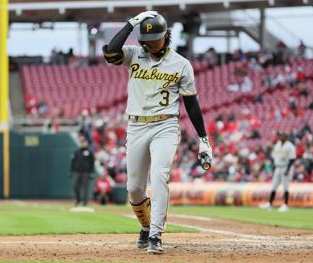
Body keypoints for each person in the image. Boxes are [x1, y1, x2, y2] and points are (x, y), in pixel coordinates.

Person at [102, 11, 212, 254]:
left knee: (160, 175)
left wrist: (204, 139)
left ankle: (155, 234)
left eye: (153, 40)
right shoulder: (133, 54)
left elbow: (191, 104)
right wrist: (131, 23)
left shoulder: (181, 64)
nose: (147, 44)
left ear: (166, 37)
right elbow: (110, 52)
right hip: (137, 125)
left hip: (166, 125)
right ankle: (144, 225)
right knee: (134, 188)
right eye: (144, 40)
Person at [259, 131, 296, 212]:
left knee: (285, 187)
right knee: (274, 186)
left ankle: (285, 205)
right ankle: (269, 204)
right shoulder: (278, 144)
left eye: (283, 136)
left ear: (286, 137)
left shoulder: (290, 146)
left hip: (285, 167)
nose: (281, 137)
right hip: (278, 167)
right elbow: (274, 156)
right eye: (280, 136)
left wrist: (287, 170)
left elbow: (292, 159)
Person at [70, 134, 95, 206]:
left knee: (85, 188)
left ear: (86, 142)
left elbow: (92, 163)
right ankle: (78, 200)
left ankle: (85, 202)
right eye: (81, 142)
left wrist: (91, 172)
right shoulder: (76, 152)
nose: (83, 143)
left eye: (84, 142)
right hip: (76, 171)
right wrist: (70, 171)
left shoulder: (89, 152)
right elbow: (73, 162)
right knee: (75, 186)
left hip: (86, 172)